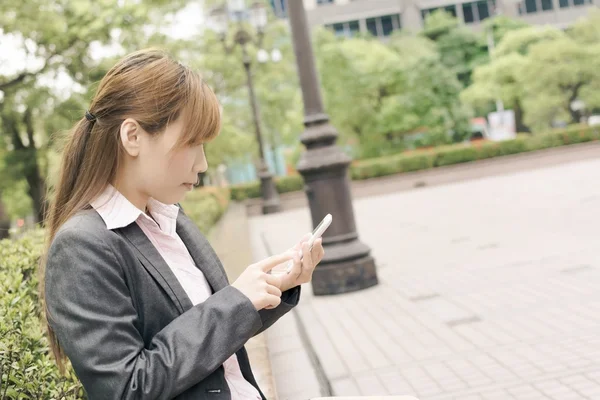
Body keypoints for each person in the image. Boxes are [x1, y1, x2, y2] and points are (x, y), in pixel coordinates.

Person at [41, 48, 324, 400]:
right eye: (193, 143)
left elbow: (207, 337)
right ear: (132, 137)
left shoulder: (170, 219)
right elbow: (128, 388)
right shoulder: (82, 246)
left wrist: (274, 289)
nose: (202, 163)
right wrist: (236, 302)